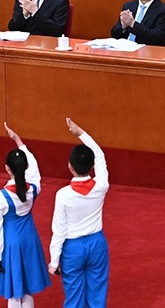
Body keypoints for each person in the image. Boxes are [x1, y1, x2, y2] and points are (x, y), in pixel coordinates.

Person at [48, 118, 110, 308]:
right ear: (92, 167)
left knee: (74, 299)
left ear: (70, 166)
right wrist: (80, 133)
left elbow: (59, 230)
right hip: (97, 244)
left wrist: (54, 261)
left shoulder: (63, 195)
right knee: (97, 296)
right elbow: (99, 154)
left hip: (72, 248)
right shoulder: (101, 186)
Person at [0, 124, 51, 308]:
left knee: (14, 292)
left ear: (7, 168)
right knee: (27, 288)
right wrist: (18, 141)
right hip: (30, 239)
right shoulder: (34, 189)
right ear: (26, 167)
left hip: (12, 243)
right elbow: (34, 168)